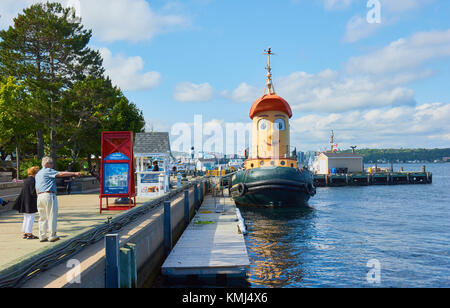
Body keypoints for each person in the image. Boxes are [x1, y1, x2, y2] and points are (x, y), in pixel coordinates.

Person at [35, 157, 82, 243]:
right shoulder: (48, 170)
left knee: (42, 217)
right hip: (49, 195)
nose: (53, 165)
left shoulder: (38, 174)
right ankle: (52, 235)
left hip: (40, 196)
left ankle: (42, 235)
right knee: (51, 215)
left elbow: (36, 188)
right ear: (47, 164)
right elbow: (60, 174)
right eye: (51, 163)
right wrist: (74, 173)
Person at [13, 166, 40, 239]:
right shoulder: (33, 180)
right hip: (30, 202)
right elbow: (33, 192)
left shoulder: (27, 180)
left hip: (25, 201)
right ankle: (29, 233)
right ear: (35, 173)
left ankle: (25, 232)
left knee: (26, 217)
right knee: (31, 217)